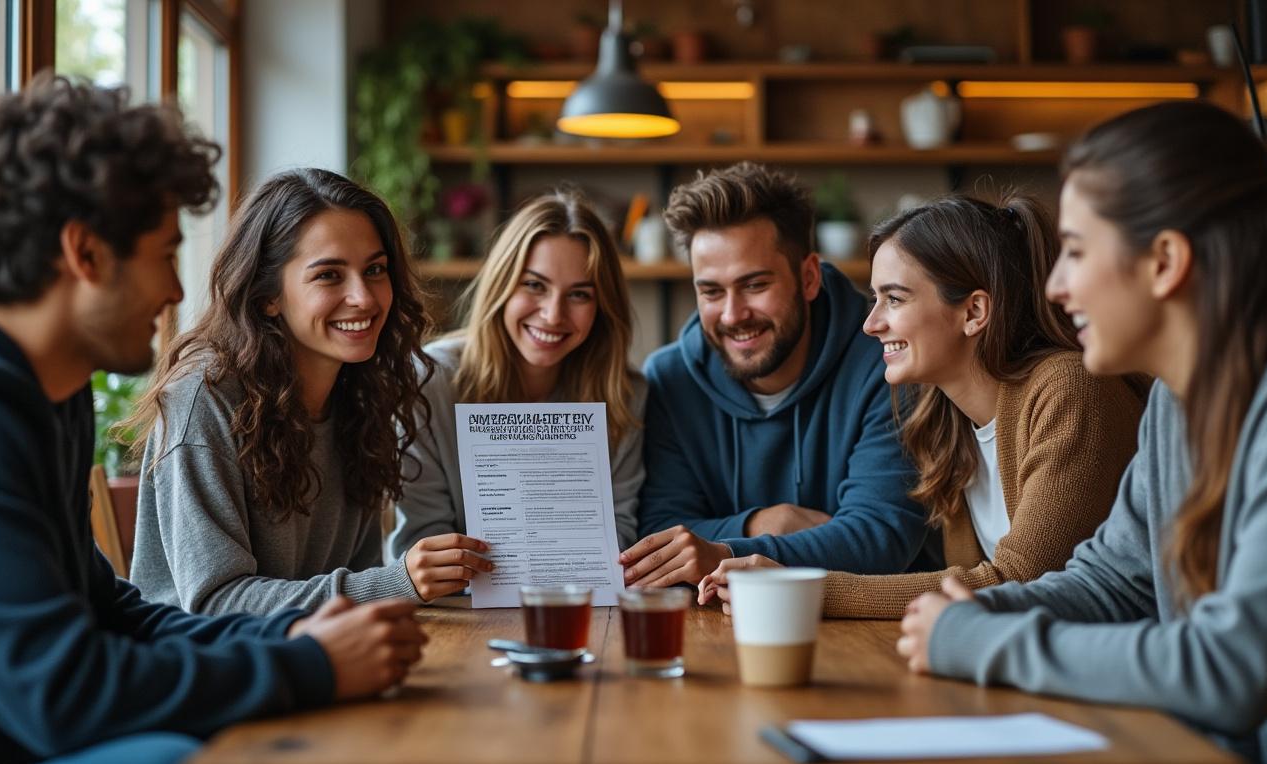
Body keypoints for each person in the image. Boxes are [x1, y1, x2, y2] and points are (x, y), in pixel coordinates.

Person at [0, 75, 425, 764]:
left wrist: (290, 645)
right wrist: (309, 669)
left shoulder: (51, 399)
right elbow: (60, 696)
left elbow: (113, 611)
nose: (179, 289)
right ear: (85, 253)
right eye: (164, 255)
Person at [896, 101, 1267, 764]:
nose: (1055, 287)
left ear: (1165, 261)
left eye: (1077, 253)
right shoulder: (1174, 402)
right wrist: (977, 610)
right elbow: (1112, 582)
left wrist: (978, 643)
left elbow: (1232, 667)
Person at [698, 192, 1145, 618]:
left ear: (973, 312)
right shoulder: (941, 417)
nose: (871, 324)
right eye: (875, 299)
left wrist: (803, 589)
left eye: (894, 298)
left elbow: (1021, 583)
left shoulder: (1070, 390)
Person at [127, 168, 444, 613]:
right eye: (329, 276)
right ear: (267, 295)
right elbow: (216, 601)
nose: (366, 298)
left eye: (375, 270)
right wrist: (395, 583)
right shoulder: (205, 397)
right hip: (204, 667)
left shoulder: (360, 391)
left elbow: (359, 570)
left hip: (312, 659)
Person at [620, 162, 931, 589]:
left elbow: (881, 538)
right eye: (711, 291)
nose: (732, 314)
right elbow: (660, 534)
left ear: (807, 278)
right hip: (711, 622)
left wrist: (721, 550)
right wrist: (761, 525)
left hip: (873, 630)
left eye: (754, 285)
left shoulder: (888, 363)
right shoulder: (671, 378)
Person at [387, 191, 646, 600]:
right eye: (534, 285)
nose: (553, 314)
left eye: (579, 294)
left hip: (583, 608)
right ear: (501, 285)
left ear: (602, 306)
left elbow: (619, 536)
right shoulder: (428, 382)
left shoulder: (624, 394)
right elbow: (419, 544)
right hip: (454, 612)